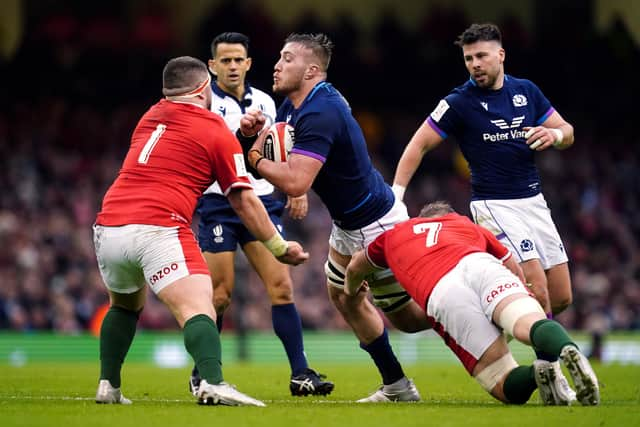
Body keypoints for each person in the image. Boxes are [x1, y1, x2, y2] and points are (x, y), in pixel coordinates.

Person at [92, 56, 309, 407]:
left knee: (125, 306)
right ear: (204, 88)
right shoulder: (211, 127)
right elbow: (243, 199)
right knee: (199, 308)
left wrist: (240, 137)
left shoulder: (149, 117)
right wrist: (278, 246)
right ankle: (213, 381)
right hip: (159, 226)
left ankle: (109, 385)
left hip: (109, 225)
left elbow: (191, 153)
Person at [240, 33, 431, 402]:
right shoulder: (294, 106)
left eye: (287, 59)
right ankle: (397, 385)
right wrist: (251, 133)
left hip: (377, 222)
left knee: (411, 319)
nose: (277, 65)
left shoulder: (320, 110)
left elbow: (295, 175)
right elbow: (292, 163)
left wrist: (257, 159)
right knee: (343, 296)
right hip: (349, 224)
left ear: (311, 70)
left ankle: (484, 311)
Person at [392, 23, 576, 404]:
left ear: (500, 55)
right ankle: (551, 382)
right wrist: (396, 195)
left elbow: (566, 130)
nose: (474, 64)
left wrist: (554, 136)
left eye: (481, 56)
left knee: (560, 297)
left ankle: (490, 316)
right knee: (537, 290)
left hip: (534, 203)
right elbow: (418, 145)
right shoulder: (459, 102)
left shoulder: (526, 91)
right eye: (468, 58)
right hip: (493, 205)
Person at [189, 32, 333, 397]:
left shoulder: (269, 102)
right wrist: (240, 132)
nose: (233, 66)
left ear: (249, 63)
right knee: (220, 295)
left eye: (239, 59)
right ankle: (205, 373)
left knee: (282, 287)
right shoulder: (204, 105)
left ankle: (301, 373)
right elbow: (208, 154)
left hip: (263, 200)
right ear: (212, 66)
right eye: (225, 60)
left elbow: (288, 145)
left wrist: (294, 190)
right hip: (219, 202)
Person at [344, 201, 600, 406]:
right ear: (449, 215)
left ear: (420, 219)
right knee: (527, 322)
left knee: (500, 380)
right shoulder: (466, 224)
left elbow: (355, 266)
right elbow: (513, 269)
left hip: (442, 289)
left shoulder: (394, 235)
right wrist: (513, 305)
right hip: (481, 264)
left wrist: (352, 288)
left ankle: (538, 373)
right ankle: (568, 349)